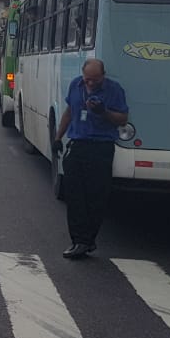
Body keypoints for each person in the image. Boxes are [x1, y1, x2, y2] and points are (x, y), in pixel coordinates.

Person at [54, 58, 129, 259]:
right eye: (87, 79)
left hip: (101, 148)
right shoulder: (75, 85)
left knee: (96, 197)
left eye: (95, 79)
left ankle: (88, 239)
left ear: (103, 76)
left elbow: (123, 119)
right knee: (74, 195)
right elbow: (69, 112)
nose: (90, 83)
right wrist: (58, 137)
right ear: (83, 74)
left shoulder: (114, 90)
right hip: (78, 145)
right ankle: (79, 240)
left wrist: (103, 112)